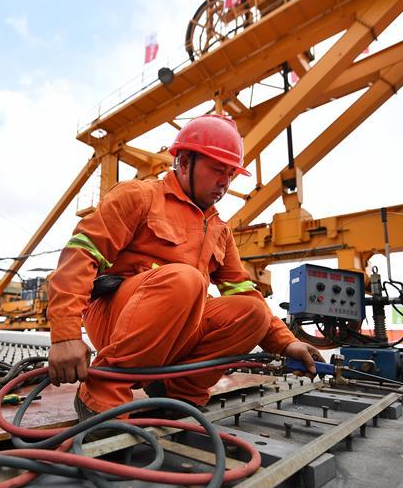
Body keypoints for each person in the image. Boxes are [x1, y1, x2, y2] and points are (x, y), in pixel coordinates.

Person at [47, 114, 321, 419]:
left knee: (251, 312)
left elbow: (244, 292)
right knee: (186, 280)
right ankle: (101, 395)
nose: (225, 183)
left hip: (178, 328)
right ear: (185, 163)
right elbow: (80, 255)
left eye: (230, 174)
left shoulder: (220, 229)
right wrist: (66, 335)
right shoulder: (139, 196)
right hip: (116, 319)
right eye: (218, 170)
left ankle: (179, 395)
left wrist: (288, 344)